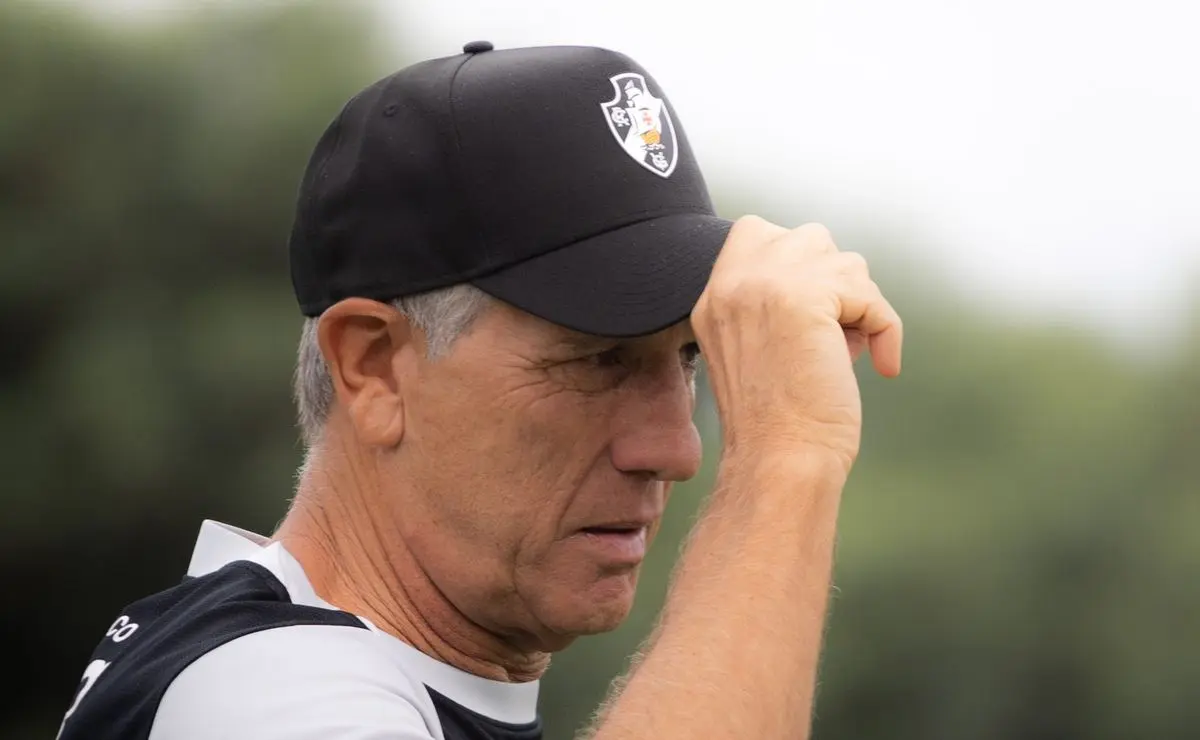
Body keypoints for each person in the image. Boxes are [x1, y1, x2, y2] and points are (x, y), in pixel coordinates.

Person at [57, 42, 902, 740]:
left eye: (687, 357)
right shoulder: (263, 692)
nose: (677, 449)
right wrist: (785, 463)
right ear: (373, 367)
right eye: (599, 361)